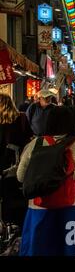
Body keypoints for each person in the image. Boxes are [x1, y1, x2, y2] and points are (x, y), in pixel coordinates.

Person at [16, 106, 75, 256]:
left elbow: (20, 176)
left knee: (40, 248)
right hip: (73, 205)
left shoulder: (35, 144)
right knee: (71, 248)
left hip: (40, 206)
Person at [0, 94, 33, 228]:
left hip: (2, 165)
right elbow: (29, 139)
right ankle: (16, 224)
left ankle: (4, 223)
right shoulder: (22, 118)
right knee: (15, 194)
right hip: (18, 164)